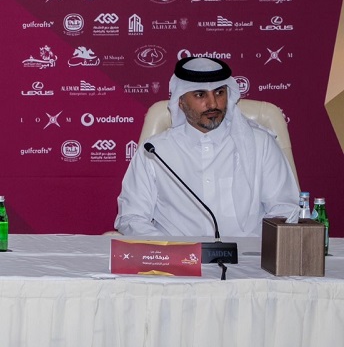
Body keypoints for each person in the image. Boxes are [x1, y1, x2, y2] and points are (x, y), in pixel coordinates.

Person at [115, 56, 300, 237]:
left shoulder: (261, 144)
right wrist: (169, 250)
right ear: (181, 101)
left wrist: (257, 251)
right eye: (200, 95)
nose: (213, 104)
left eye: (219, 93)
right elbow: (132, 217)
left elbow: (285, 208)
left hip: (247, 261)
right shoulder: (155, 152)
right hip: (176, 262)